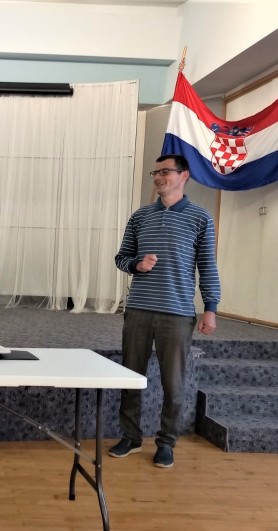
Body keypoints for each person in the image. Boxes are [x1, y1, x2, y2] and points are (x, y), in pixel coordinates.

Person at [110, 154, 221, 468]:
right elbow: (121, 258)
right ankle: (130, 437)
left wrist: (210, 308)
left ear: (184, 175)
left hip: (177, 312)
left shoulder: (201, 218)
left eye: (165, 171)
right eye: (155, 173)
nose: (158, 177)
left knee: (174, 383)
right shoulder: (140, 216)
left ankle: (167, 442)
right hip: (139, 310)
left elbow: (207, 267)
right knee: (131, 376)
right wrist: (137, 265)